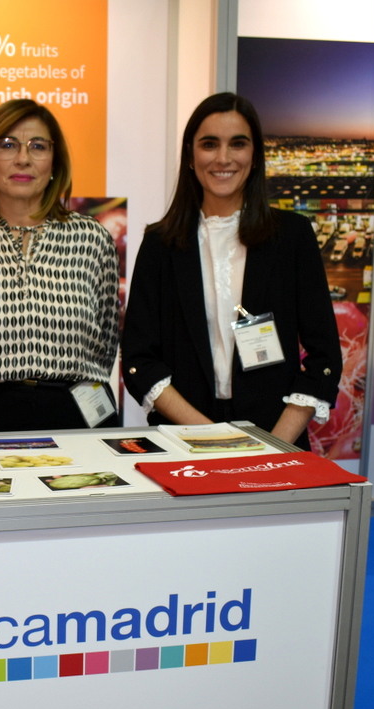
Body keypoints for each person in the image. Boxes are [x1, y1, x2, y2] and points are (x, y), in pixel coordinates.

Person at [121, 92, 342, 449]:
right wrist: (216, 440)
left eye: (237, 144)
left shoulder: (293, 236)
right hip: (184, 440)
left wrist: (273, 445)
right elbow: (139, 360)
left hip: (276, 439)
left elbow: (324, 358)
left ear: (254, 156)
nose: (223, 158)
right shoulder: (160, 244)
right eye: (209, 144)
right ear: (190, 156)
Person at [0, 98, 121, 433]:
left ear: (54, 162)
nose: (23, 158)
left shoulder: (92, 239)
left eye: (38, 146)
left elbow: (106, 341)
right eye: (7, 145)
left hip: (79, 415)